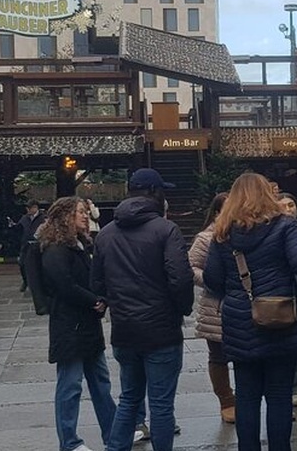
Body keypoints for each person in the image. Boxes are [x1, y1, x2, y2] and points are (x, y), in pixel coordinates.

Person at [203, 173, 297, 451]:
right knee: (279, 395)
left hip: (240, 321)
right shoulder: (285, 226)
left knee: (246, 395)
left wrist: (234, 294)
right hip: (281, 318)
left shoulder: (223, 233)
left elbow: (211, 279)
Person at [90, 168, 194, 451]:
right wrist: (183, 309)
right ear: (153, 192)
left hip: (124, 329)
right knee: (161, 405)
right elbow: (180, 278)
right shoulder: (165, 229)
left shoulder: (107, 233)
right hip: (161, 330)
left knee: (129, 399)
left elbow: (97, 281)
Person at [39, 196, 116, 451]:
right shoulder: (55, 249)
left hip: (86, 325)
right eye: (79, 212)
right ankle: (69, 442)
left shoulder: (81, 245)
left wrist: (100, 297)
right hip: (70, 326)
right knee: (70, 386)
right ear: (65, 217)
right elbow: (64, 284)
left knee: (101, 383)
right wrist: (94, 300)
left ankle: (113, 432)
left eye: (84, 211)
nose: (85, 216)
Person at [189, 193, 236, 424]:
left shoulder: (247, 233)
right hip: (215, 304)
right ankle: (226, 400)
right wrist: (210, 279)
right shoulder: (205, 238)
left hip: (243, 303)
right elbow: (190, 267)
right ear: (217, 212)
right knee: (218, 355)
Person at [278, 192, 297, 408]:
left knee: (296, 343)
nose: (289, 209)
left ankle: (295, 387)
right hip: (277, 296)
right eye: (284, 206)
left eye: (291, 204)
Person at [11, 199, 45, 292]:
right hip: (25, 244)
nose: (28, 210)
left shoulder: (42, 218)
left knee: (38, 264)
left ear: (35, 208)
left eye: (29, 208)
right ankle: (25, 281)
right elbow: (19, 228)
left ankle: (38, 283)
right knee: (22, 263)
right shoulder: (24, 218)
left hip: (37, 244)